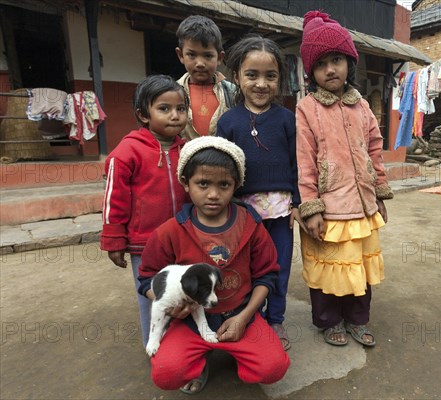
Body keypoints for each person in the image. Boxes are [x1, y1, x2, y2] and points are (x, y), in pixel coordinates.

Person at [137, 136, 290, 394]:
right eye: (203, 183)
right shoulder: (170, 231)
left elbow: (267, 276)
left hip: (240, 316)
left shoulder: (251, 225)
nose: (213, 194)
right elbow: (146, 279)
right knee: (166, 374)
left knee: (273, 367)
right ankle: (200, 357)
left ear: (236, 185)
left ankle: (234, 352)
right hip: (188, 323)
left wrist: (243, 318)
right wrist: (172, 307)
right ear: (186, 183)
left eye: (224, 185)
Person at [295, 11, 394, 347]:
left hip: (363, 206)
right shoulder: (306, 109)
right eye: (321, 64)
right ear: (311, 72)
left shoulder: (362, 105)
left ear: (350, 62)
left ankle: (356, 319)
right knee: (329, 269)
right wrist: (311, 208)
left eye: (336, 59)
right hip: (329, 208)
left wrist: (378, 192)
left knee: (359, 270)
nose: (330, 69)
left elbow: (375, 150)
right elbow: (304, 161)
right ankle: (328, 321)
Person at [216, 34, 304, 351]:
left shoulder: (287, 120)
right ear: (237, 76)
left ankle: (275, 320)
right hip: (242, 212)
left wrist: (297, 202)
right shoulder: (228, 122)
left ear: (280, 78)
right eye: (252, 75)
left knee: (278, 265)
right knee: (246, 267)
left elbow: (298, 164)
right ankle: (248, 317)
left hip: (280, 210)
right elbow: (221, 169)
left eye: (270, 76)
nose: (261, 84)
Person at [100, 75, 190, 347]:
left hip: (183, 239)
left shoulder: (188, 150)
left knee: (184, 294)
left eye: (181, 109)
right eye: (164, 109)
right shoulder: (126, 152)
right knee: (152, 297)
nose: (175, 116)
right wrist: (114, 240)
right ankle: (155, 347)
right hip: (144, 244)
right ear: (143, 114)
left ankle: (184, 348)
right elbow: (113, 200)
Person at [175, 15, 236, 138]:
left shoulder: (231, 92)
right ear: (181, 55)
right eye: (191, 55)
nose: (200, 64)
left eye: (208, 56)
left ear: (219, 58)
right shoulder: (173, 92)